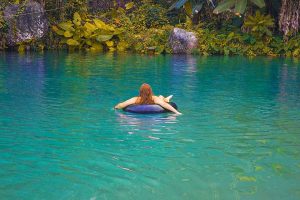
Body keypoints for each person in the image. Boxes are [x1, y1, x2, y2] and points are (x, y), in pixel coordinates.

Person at [114, 83, 182, 115]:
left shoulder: (135, 99)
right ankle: (166, 99)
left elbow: (122, 104)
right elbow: (164, 105)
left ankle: (166, 99)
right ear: (150, 91)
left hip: (158, 100)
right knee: (161, 97)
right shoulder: (154, 99)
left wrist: (115, 107)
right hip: (158, 100)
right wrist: (177, 112)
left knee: (161, 98)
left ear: (140, 91)